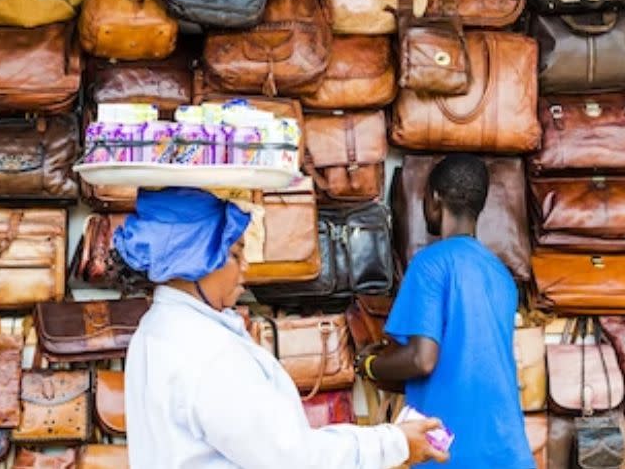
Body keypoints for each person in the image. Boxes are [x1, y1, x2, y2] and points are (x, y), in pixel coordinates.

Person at [116, 187, 450, 469]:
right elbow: (293, 459)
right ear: (197, 262)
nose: (246, 268)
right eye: (235, 254)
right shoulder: (208, 352)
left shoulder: (155, 330)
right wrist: (394, 443)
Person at [355, 155, 534, 468]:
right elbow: (464, 364)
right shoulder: (501, 275)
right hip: (509, 450)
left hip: (449, 452)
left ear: (434, 199)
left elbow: (421, 360)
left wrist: (369, 365)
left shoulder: (430, 263)